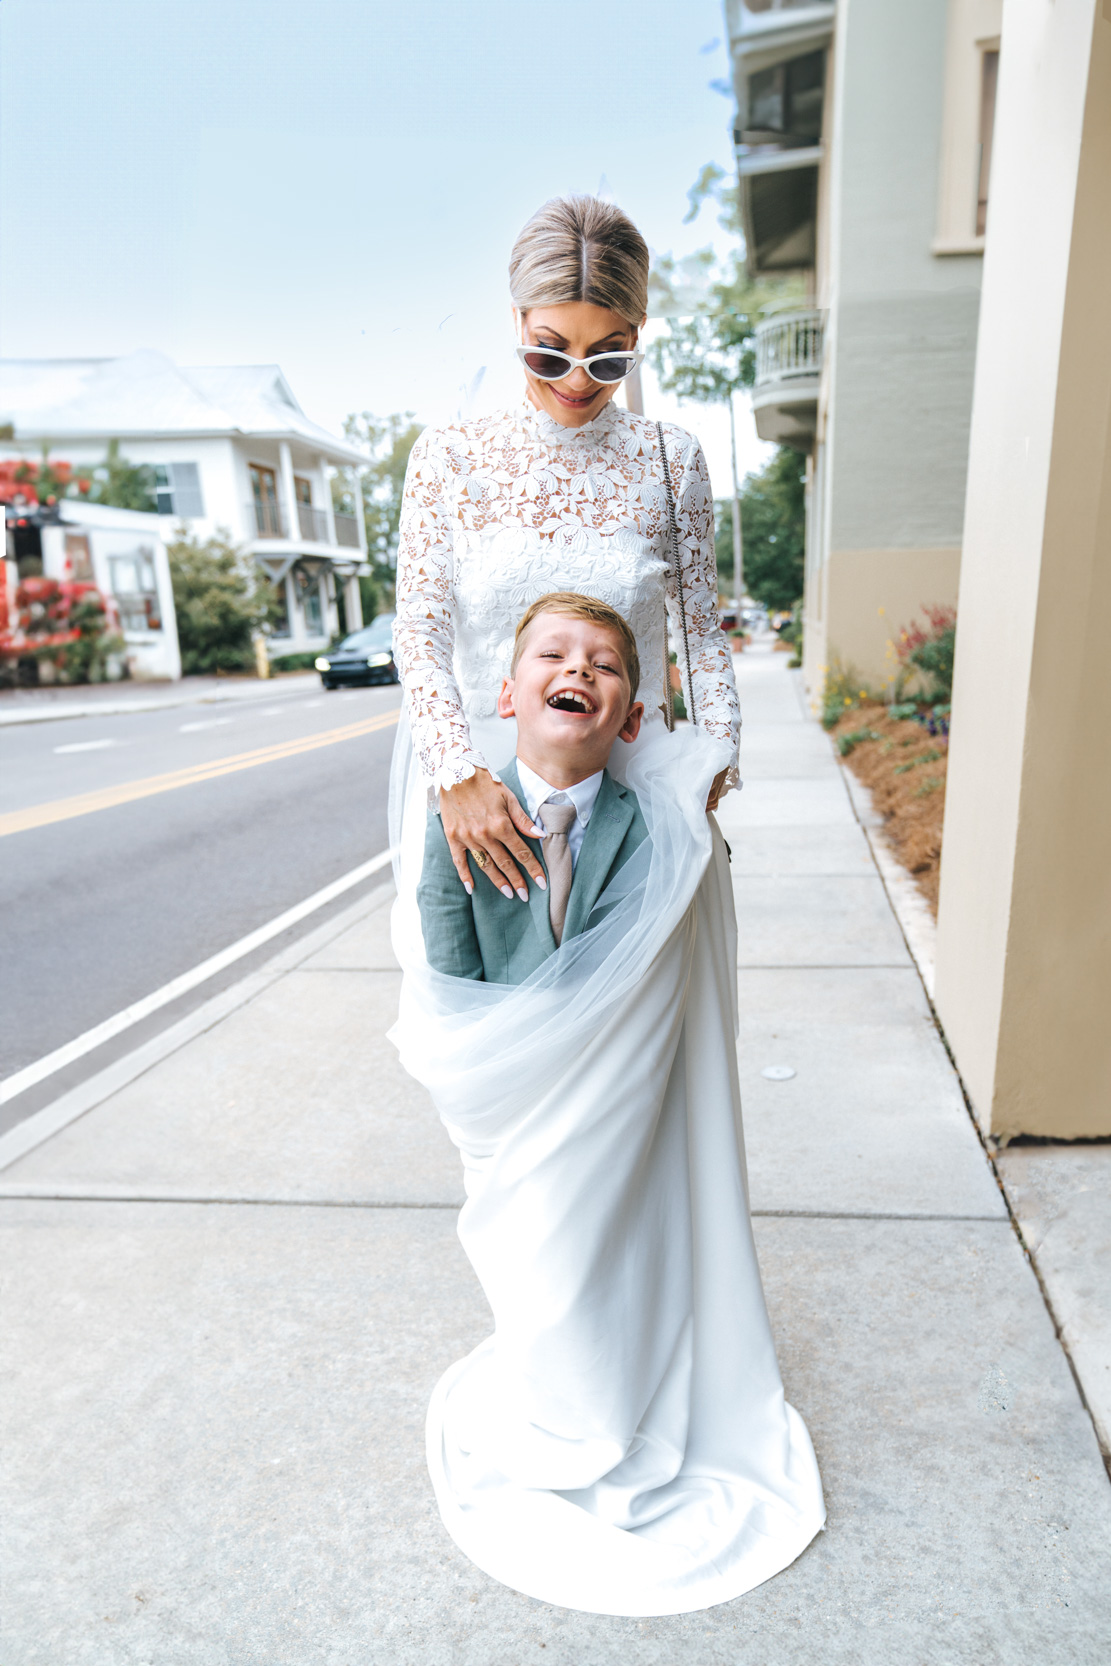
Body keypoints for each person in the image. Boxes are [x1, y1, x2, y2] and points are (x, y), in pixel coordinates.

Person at [388, 194, 824, 1618]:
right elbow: (423, 633)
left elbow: (694, 630)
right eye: (548, 354)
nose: (578, 385)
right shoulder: (449, 454)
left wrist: (705, 785)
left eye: (608, 357)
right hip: (487, 812)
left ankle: (644, 1371)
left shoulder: (668, 456)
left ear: (638, 350)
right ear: (508, 335)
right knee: (513, 1131)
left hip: (648, 832)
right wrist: (457, 775)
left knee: (639, 1133)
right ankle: (549, 1360)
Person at [417, 592, 648, 982]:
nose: (578, 668)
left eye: (605, 665)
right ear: (507, 696)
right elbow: (451, 979)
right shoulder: (457, 821)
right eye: (553, 656)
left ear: (630, 720)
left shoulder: (654, 827)